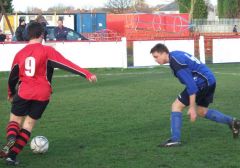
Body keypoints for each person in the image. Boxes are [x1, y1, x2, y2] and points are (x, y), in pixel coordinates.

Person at [0, 22, 97, 165]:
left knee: (15, 121)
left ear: (28, 34)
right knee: (28, 125)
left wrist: (10, 92)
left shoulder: (20, 54)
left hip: (24, 91)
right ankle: (12, 156)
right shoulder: (47, 51)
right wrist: (87, 74)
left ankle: (11, 139)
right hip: (42, 94)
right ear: (42, 34)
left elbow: (13, 76)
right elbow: (67, 64)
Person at [150, 43, 240, 147]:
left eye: (156, 57)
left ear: (164, 53)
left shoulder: (175, 61)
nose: (155, 60)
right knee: (201, 111)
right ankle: (232, 122)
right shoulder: (175, 55)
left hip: (201, 82)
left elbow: (192, 87)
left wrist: (192, 107)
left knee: (176, 106)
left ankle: (175, 139)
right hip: (210, 80)